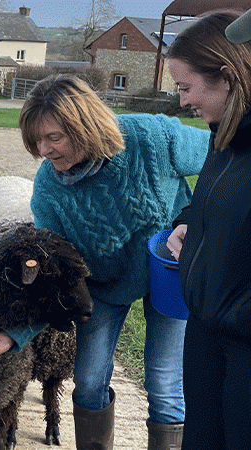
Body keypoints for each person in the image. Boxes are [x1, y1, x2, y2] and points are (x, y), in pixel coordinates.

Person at [0, 73, 210, 450]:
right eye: (37, 141)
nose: (43, 150)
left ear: (84, 125)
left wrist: (194, 218)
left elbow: (226, 157)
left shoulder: (151, 139)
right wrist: (13, 335)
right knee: (89, 380)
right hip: (104, 287)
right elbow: (54, 277)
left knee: (163, 380)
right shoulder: (48, 189)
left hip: (170, 273)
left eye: (53, 137)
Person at [164, 10, 251, 450]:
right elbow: (217, 205)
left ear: (227, 76)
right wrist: (186, 225)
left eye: (185, 87)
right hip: (206, 332)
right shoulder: (224, 138)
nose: (182, 101)